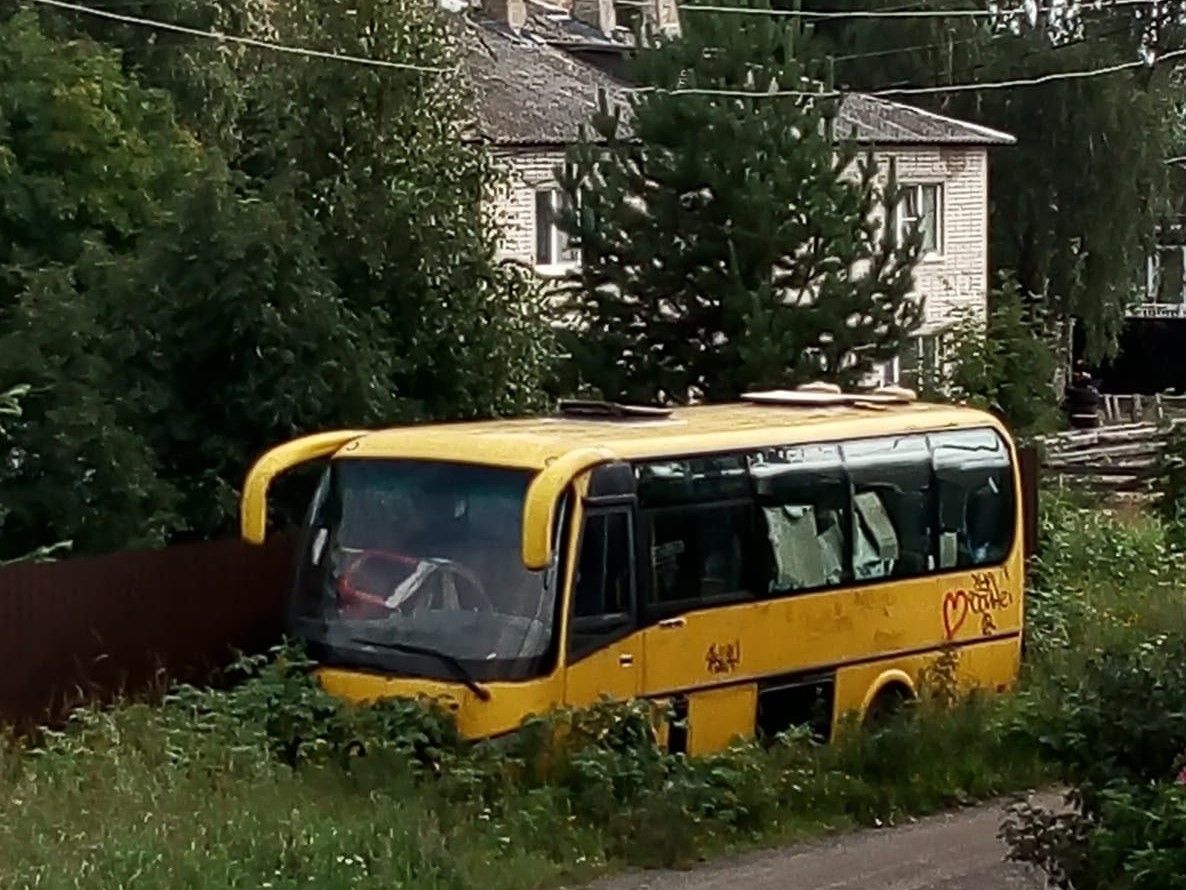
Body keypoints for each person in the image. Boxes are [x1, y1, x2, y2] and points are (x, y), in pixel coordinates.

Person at [1064, 361, 1101, 430]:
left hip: (1076, 419)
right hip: (1092, 419)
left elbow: (1068, 389)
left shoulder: (1075, 391)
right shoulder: (1095, 392)